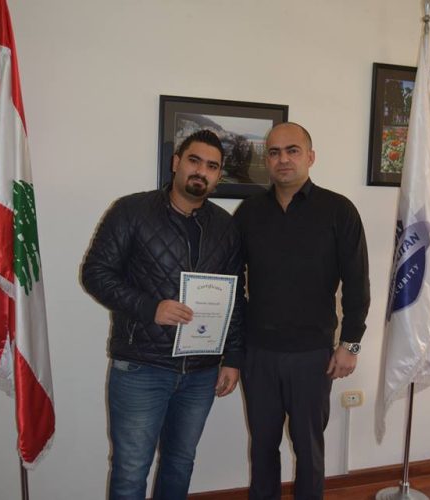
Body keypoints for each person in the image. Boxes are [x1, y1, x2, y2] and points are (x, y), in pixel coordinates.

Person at [81, 130, 245, 500]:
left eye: (212, 166)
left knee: (180, 463)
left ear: (218, 176)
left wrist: (233, 357)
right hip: (141, 367)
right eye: (194, 160)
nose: (201, 171)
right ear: (176, 163)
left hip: (201, 371)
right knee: (130, 470)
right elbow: (95, 273)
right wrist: (149, 307)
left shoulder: (226, 227)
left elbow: (234, 297)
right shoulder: (131, 211)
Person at [234, 122, 370, 500]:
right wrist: (234, 348)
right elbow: (232, 283)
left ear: (310, 157)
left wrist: (350, 344)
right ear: (266, 160)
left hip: (313, 355)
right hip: (259, 353)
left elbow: (357, 284)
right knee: (262, 447)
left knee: (309, 449)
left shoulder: (339, 211)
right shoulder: (248, 213)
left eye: (292, 150)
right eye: (274, 152)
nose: (283, 159)